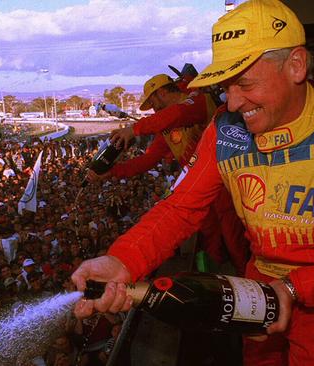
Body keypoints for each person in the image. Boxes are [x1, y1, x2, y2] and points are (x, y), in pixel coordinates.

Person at [71, 1, 314, 365]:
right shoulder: (225, 130)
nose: (234, 102)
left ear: (296, 66)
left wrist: (293, 288)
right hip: (253, 297)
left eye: (244, 83)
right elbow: (180, 208)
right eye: (226, 87)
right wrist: (122, 260)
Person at [87, 73, 249, 274]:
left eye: (152, 101)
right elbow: (148, 160)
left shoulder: (196, 101)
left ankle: (250, 283)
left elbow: (178, 114)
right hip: (198, 188)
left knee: (234, 238)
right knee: (211, 240)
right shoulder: (167, 127)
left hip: (224, 182)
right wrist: (112, 172)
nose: (153, 108)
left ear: (162, 92)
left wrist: (135, 129)